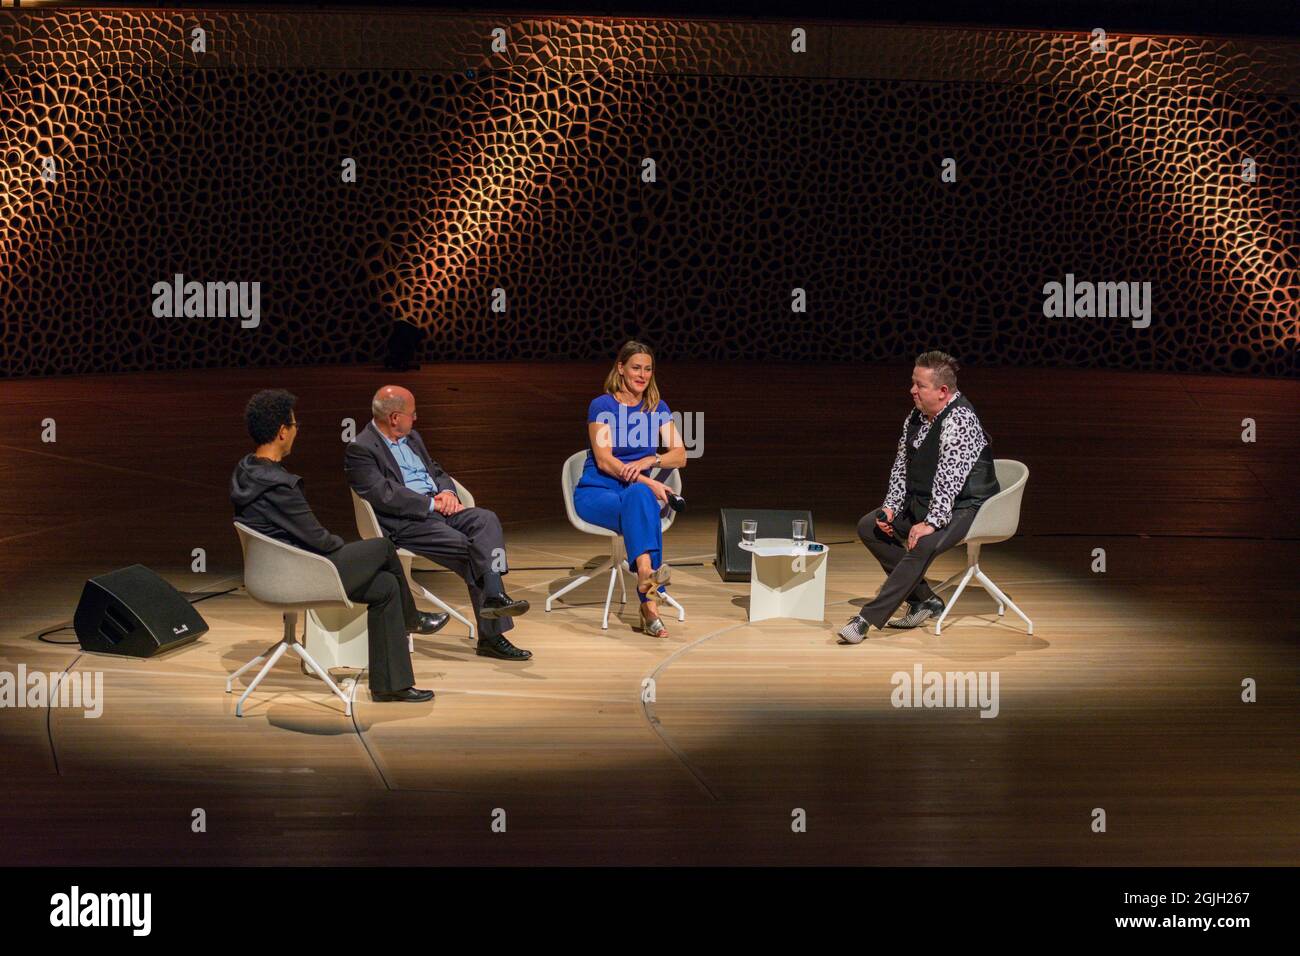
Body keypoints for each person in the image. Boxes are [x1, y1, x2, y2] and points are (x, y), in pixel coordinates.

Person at [230, 389, 448, 702]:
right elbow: (319, 540)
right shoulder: (280, 486)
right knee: (383, 548)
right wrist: (340, 545)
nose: (296, 430)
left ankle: (392, 686)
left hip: (277, 568)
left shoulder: (246, 471)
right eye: (293, 424)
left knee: (386, 585)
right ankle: (412, 619)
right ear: (281, 433)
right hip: (299, 574)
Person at [345, 386, 533, 661]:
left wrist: (447, 492)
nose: (416, 418)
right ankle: (492, 633)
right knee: (473, 549)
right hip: (407, 522)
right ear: (395, 417)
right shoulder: (360, 449)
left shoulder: (412, 438)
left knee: (486, 520)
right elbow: (384, 494)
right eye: (412, 413)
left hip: (441, 507)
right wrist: (431, 503)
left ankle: (493, 595)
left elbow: (436, 470)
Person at [838, 351, 1001, 643]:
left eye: (919, 385)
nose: (912, 390)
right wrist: (890, 508)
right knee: (869, 526)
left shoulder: (960, 420)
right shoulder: (916, 415)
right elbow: (902, 467)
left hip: (969, 505)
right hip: (929, 501)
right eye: (913, 382)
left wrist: (931, 522)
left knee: (923, 542)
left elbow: (948, 480)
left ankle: (865, 620)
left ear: (942, 391)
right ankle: (925, 601)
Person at [575, 340, 687, 637]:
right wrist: (649, 480)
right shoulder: (602, 406)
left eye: (648, 369)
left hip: (635, 494)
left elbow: (680, 454)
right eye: (636, 367)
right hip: (598, 491)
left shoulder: (657, 407)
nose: (642, 374)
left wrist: (653, 459)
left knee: (640, 499)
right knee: (644, 499)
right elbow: (604, 460)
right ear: (621, 368)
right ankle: (650, 604)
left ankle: (645, 577)